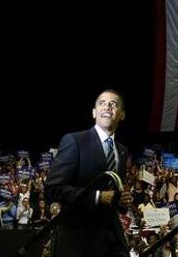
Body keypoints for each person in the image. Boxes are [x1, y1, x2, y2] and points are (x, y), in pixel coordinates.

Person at [45, 89, 132, 257]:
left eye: (113, 104)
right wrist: (98, 197)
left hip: (111, 238)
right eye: (102, 103)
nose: (107, 106)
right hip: (78, 239)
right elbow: (53, 189)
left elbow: (113, 193)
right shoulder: (75, 141)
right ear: (94, 113)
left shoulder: (122, 151)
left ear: (121, 115)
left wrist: (121, 201)